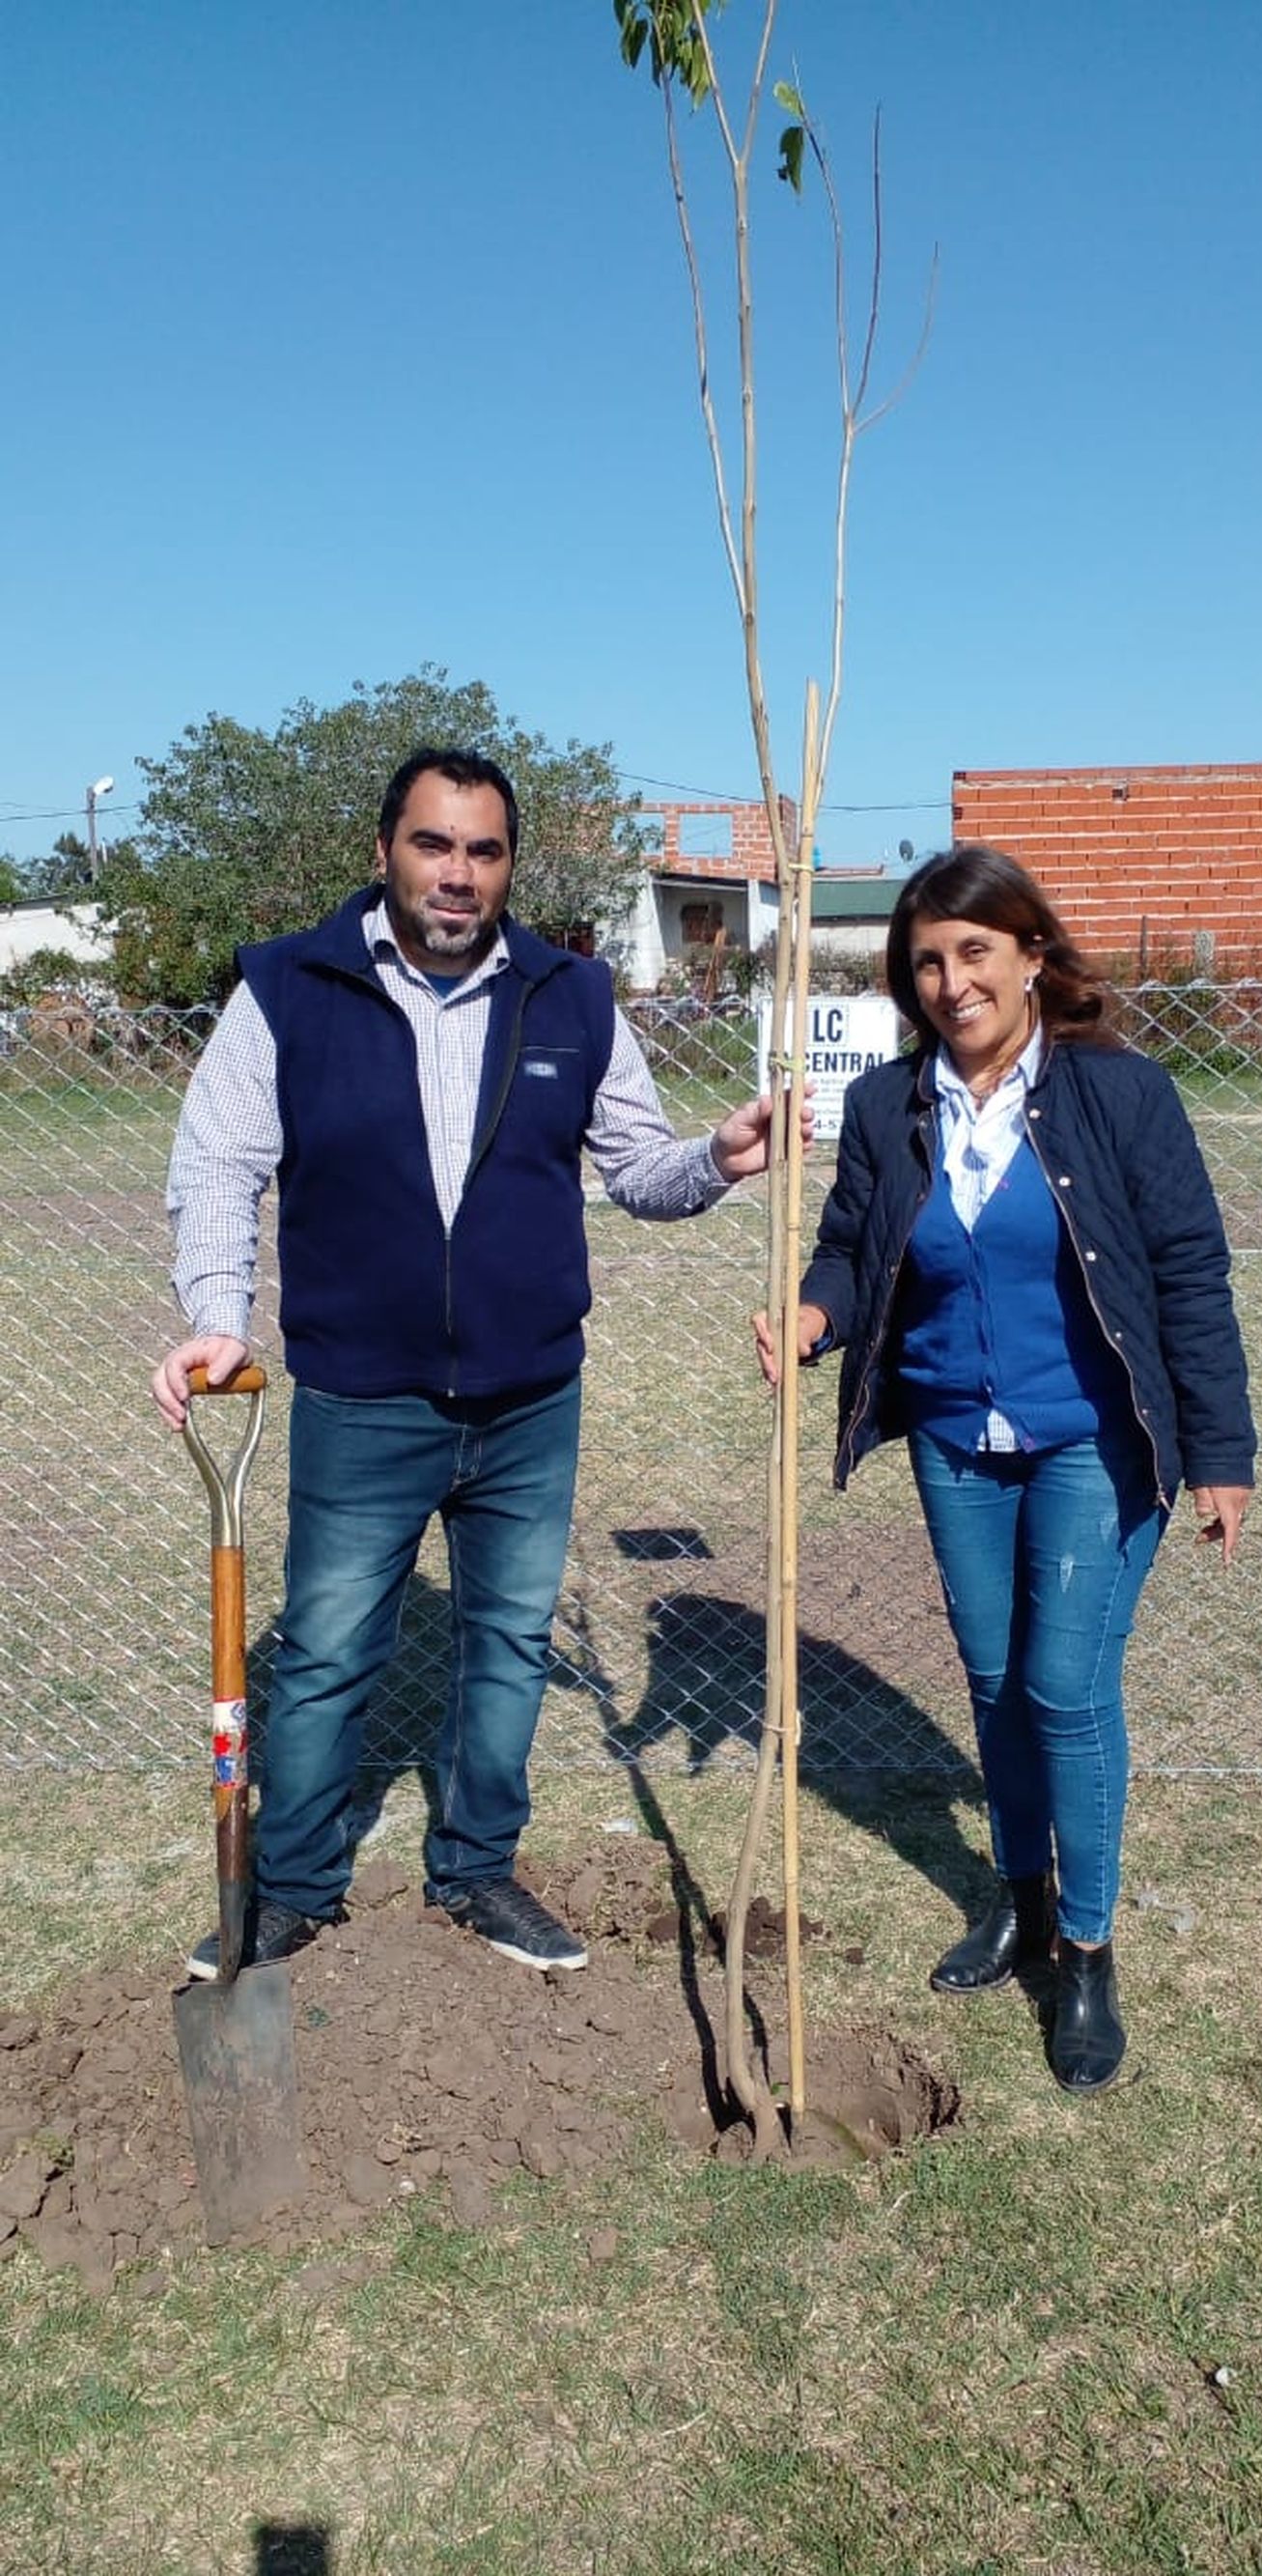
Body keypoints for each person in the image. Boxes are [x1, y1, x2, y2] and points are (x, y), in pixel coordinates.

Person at [154, 746, 801, 1982]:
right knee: (331, 1646)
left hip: (528, 1399)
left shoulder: (570, 995)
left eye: (485, 851)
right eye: (434, 845)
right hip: (362, 1398)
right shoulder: (290, 989)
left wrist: (716, 1156)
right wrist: (220, 1315)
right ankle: (288, 1888)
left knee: (504, 1647)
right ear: (385, 849)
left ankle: (477, 1869)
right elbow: (218, 1164)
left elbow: (636, 1171)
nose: (458, 874)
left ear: (511, 865)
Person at [755, 845, 1255, 2092]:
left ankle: (1084, 1947)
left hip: (1095, 1434)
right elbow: (847, 1247)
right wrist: (813, 1314)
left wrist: (1224, 1449)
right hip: (953, 1440)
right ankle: (1020, 1895)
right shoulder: (888, 1106)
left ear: (1034, 953)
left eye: (975, 949)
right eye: (927, 958)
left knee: (1063, 1684)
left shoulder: (1121, 1093)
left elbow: (1190, 1270)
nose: (950, 978)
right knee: (991, 1676)